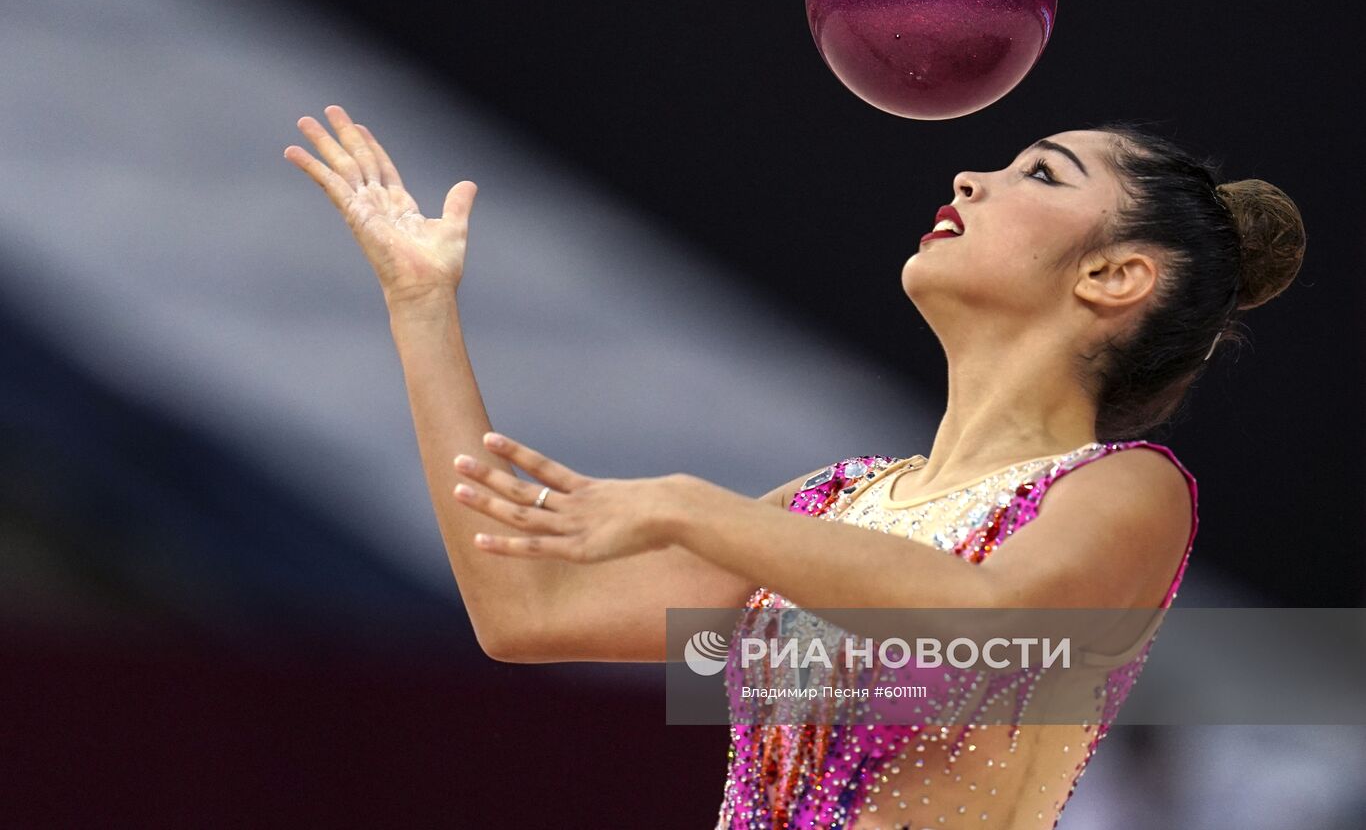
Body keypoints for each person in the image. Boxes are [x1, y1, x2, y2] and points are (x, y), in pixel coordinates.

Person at [284, 107, 1306, 828]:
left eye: (1039, 174)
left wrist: (693, 509)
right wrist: (420, 305)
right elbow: (526, 609)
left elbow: (988, 624)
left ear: (1114, 274)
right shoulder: (830, 504)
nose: (968, 177)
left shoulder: (1125, 489)